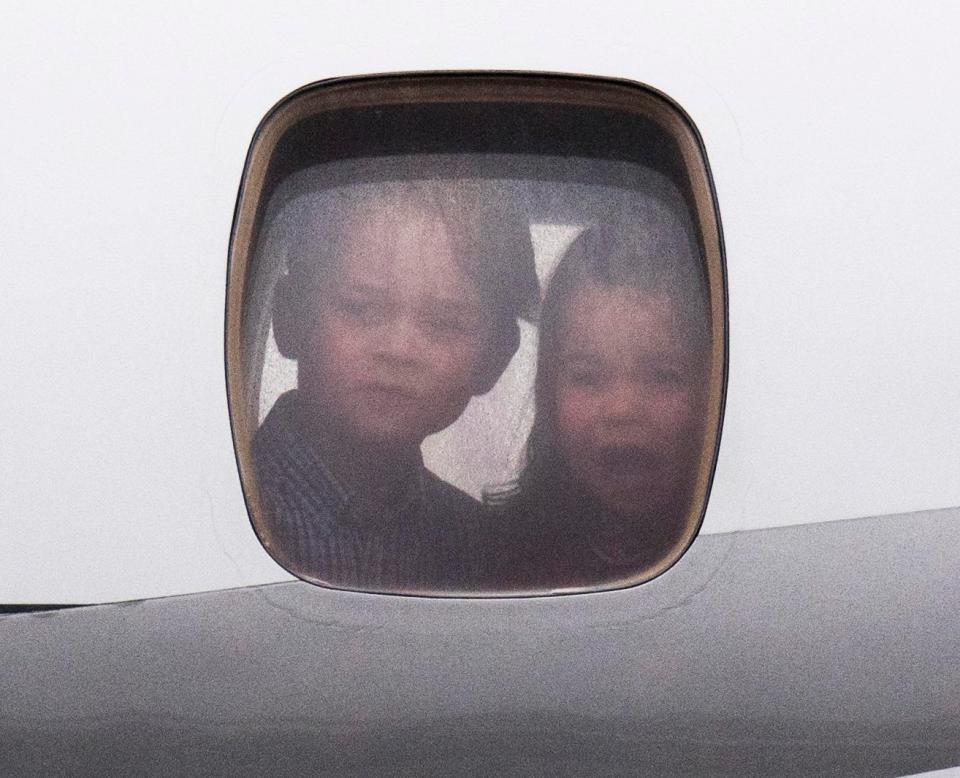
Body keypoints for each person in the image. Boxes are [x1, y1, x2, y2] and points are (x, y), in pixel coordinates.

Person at [252, 180, 539, 594]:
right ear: (290, 316)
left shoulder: (482, 551)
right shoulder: (205, 514)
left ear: (495, 358)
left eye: (443, 323)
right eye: (361, 308)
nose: (399, 350)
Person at [487, 221, 710, 591]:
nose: (622, 410)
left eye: (663, 376)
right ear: (548, 389)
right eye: (587, 377)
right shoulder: (495, 558)